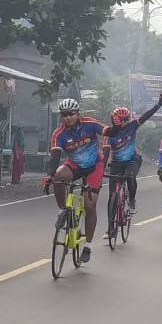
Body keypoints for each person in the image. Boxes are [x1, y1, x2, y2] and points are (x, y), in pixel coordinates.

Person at [45, 98, 107, 264]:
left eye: (71, 114)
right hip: (75, 164)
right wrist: (50, 175)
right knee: (58, 177)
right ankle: (63, 211)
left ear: (78, 114)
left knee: (89, 205)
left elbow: (107, 131)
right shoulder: (59, 133)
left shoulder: (89, 123)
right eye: (64, 115)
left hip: (94, 166)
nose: (68, 117)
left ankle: (88, 246)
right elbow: (55, 155)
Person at [103, 92, 162, 217]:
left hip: (132, 160)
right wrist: (101, 171)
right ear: (115, 121)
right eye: (123, 120)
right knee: (111, 197)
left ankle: (131, 200)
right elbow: (105, 153)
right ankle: (110, 229)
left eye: (127, 118)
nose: (127, 121)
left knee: (130, 177)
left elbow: (146, 116)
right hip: (116, 164)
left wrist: (158, 105)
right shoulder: (109, 134)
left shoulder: (132, 126)